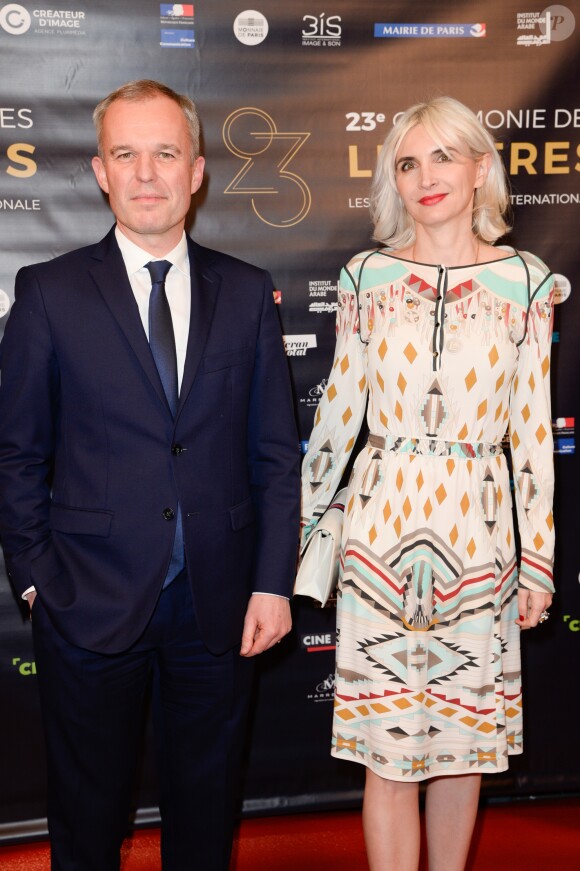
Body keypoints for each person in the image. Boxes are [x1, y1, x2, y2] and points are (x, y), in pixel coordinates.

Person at [0, 79, 300, 871]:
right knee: (87, 818)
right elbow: (17, 452)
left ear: (196, 170)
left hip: (221, 603)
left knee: (205, 818)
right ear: (100, 171)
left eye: (164, 153)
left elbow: (275, 453)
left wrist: (272, 581)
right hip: (85, 598)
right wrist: (35, 577)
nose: (145, 173)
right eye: (125, 154)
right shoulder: (49, 293)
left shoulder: (245, 293)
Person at [300, 96, 554, 871]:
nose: (425, 176)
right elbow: (337, 417)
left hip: (480, 539)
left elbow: (533, 434)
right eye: (408, 163)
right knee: (387, 755)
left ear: (481, 168)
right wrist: (309, 536)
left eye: (444, 156)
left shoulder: (529, 281)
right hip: (379, 533)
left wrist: (538, 559)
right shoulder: (366, 275)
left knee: (460, 753)